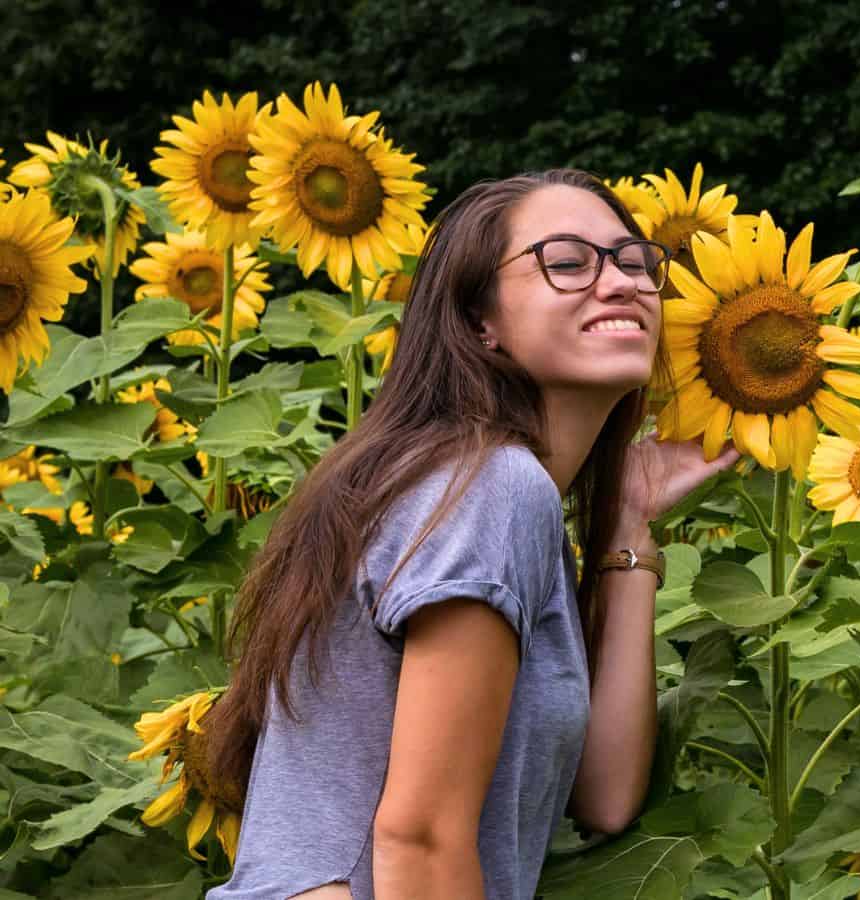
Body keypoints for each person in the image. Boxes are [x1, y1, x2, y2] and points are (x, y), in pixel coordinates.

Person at [202, 169, 740, 900]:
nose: (622, 283)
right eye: (569, 261)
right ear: (479, 320)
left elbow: (605, 795)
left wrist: (628, 527)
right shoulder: (493, 489)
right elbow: (417, 839)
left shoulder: (500, 496)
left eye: (635, 259)